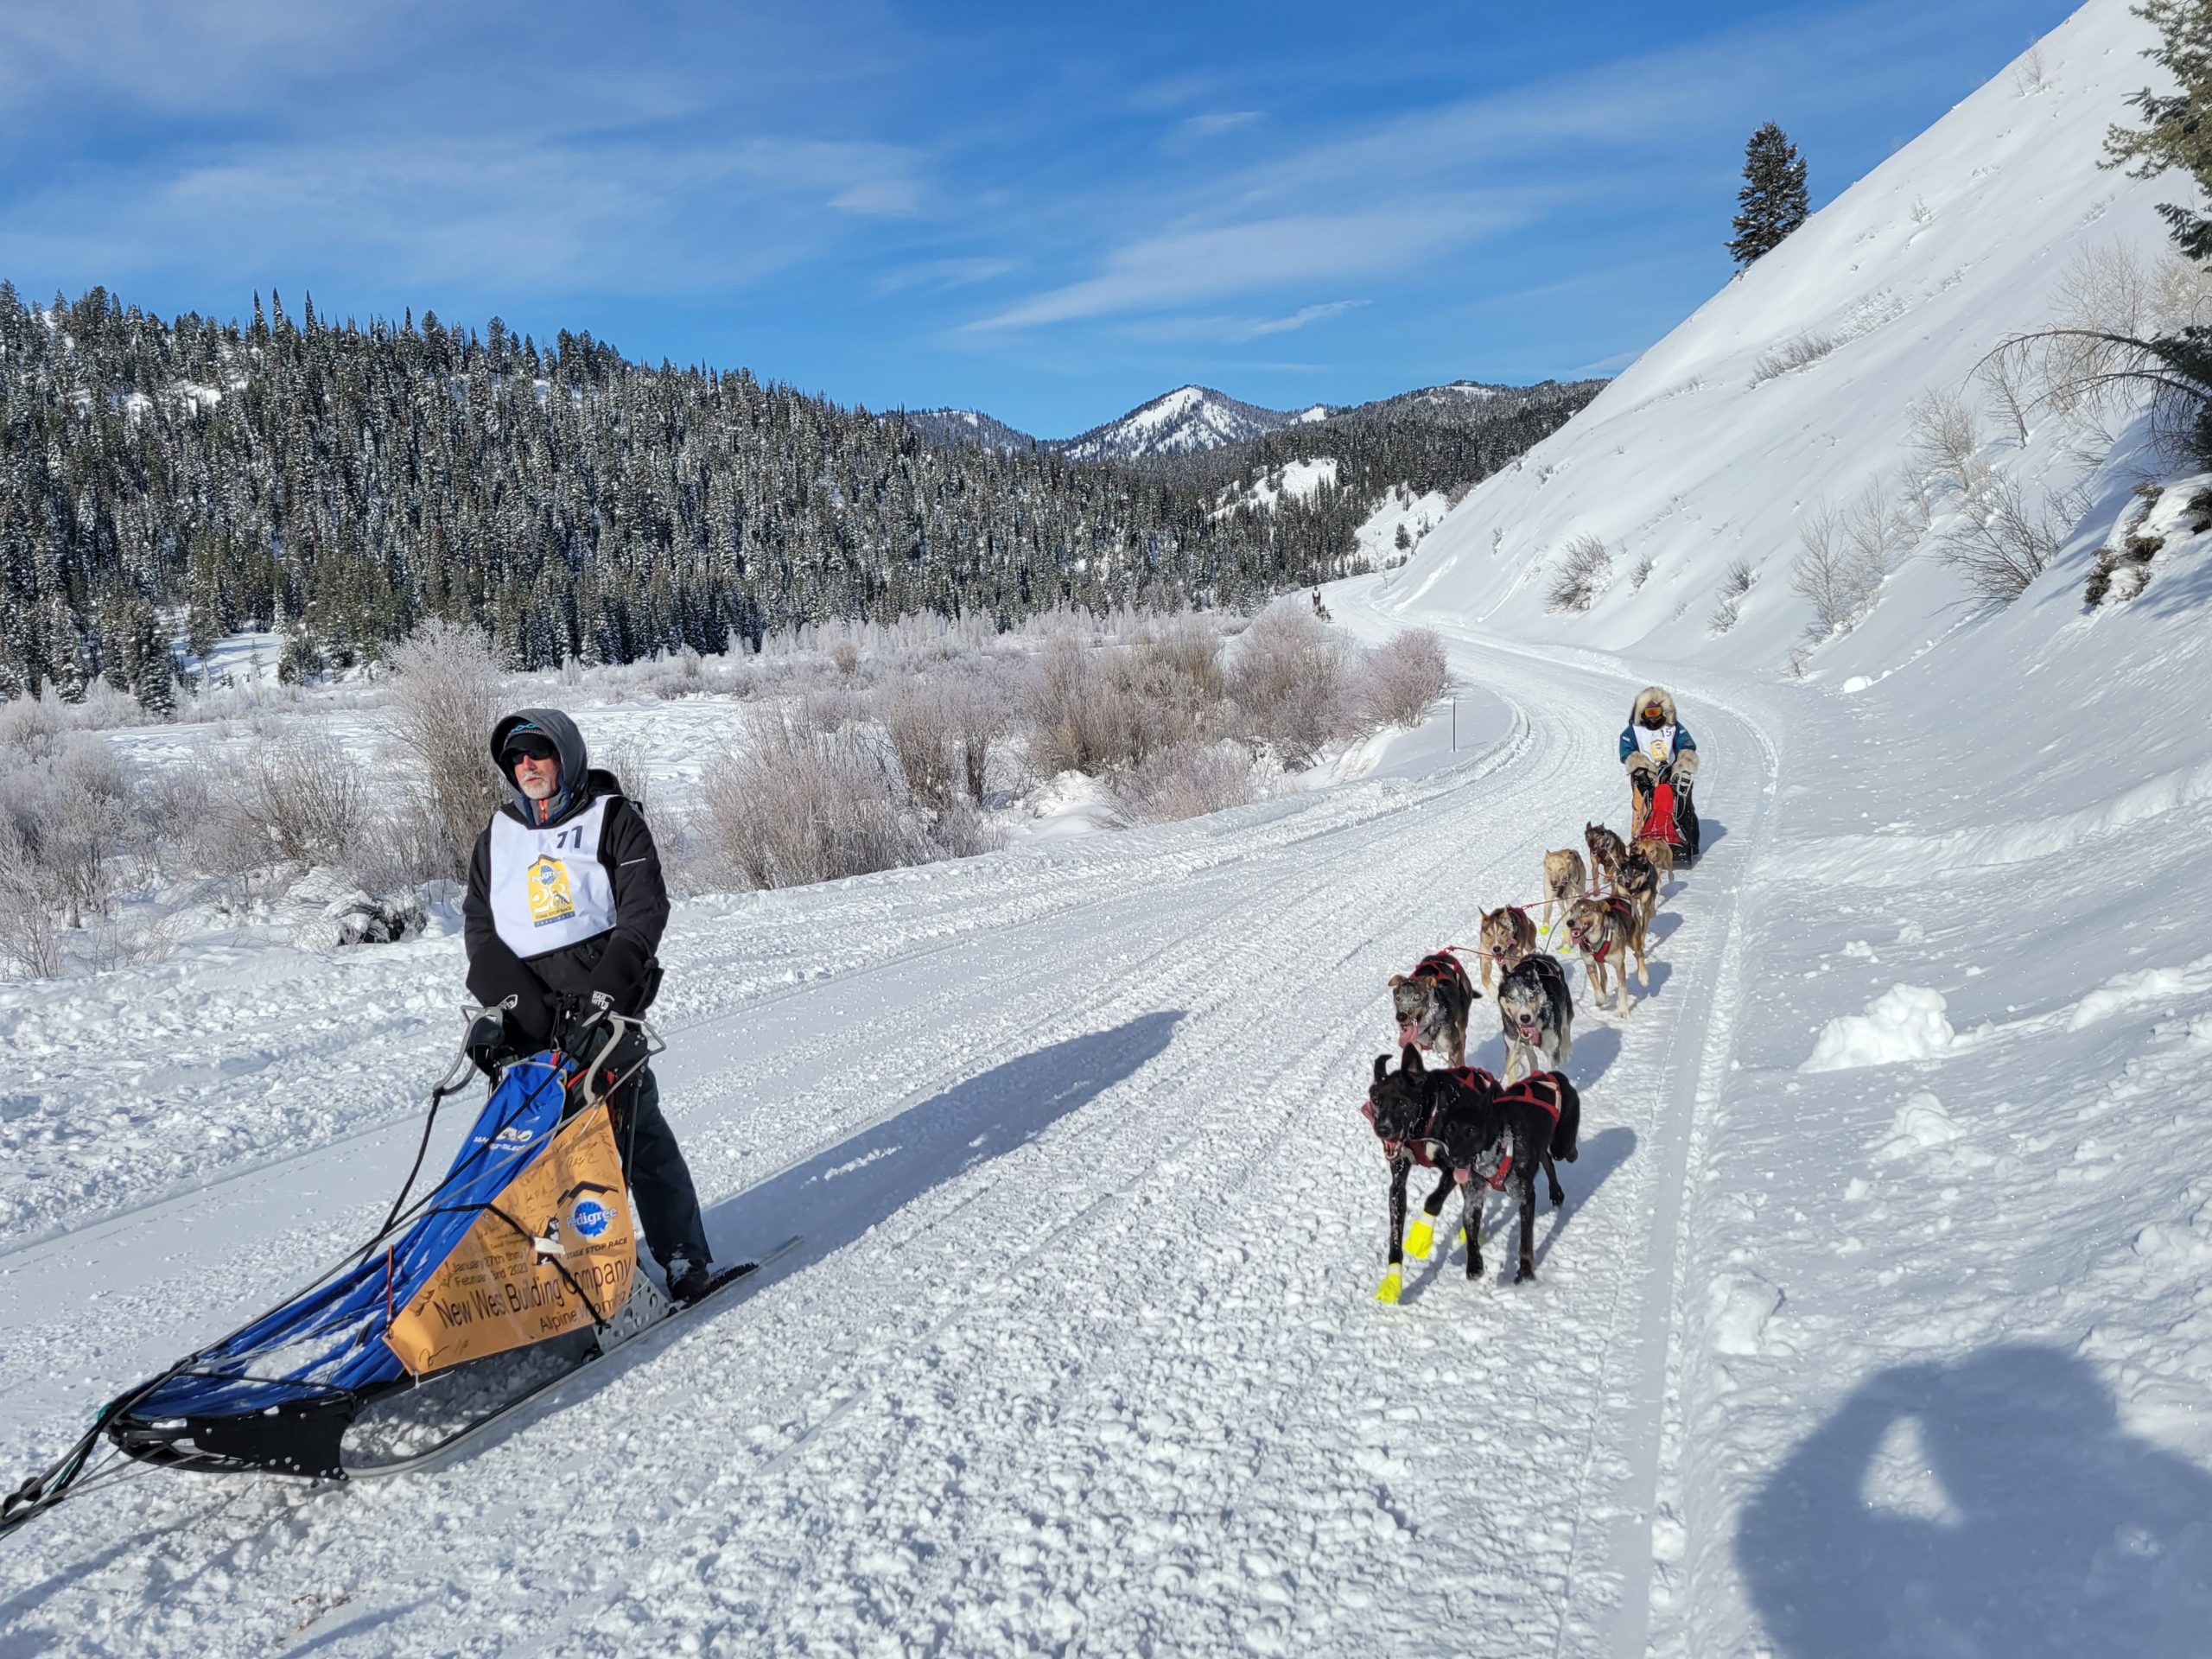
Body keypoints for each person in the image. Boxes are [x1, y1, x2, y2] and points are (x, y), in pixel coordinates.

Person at [461, 708, 715, 1302]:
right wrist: (520, 1008)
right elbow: (480, 931)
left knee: (632, 1136)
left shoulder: (613, 818)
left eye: (539, 753)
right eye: (516, 757)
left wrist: (606, 994)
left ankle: (679, 1255)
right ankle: (550, 1272)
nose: (527, 766)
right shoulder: (495, 838)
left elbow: (644, 909)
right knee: (532, 1151)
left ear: (566, 756)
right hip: (528, 1016)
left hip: (605, 1006)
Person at [1618, 684, 1700, 860]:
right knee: (1642, 805)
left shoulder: (1674, 727)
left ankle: (1688, 840)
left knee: (1681, 803)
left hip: (1671, 770)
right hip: (1645, 772)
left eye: (1657, 712)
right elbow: (1626, 748)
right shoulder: (1634, 730)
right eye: (1649, 713)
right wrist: (1637, 765)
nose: (1653, 717)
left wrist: (1684, 761)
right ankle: (1639, 839)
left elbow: (1686, 743)